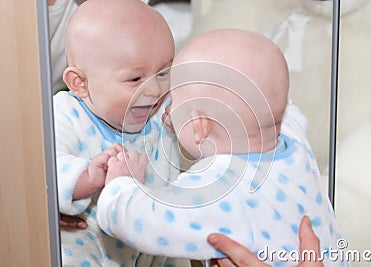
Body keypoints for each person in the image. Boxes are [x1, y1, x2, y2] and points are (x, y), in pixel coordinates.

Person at [96, 29, 345, 266]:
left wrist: (121, 185)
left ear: (200, 127)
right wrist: (189, 119)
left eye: (176, 101)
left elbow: (140, 223)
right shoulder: (295, 140)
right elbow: (279, 102)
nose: (169, 110)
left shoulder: (219, 189)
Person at [54, 0, 189, 266]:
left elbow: (184, 165)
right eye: (135, 80)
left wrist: (190, 131)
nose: (153, 91)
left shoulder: (161, 114)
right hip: (84, 256)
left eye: (163, 73)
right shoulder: (62, 115)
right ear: (80, 83)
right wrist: (90, 176)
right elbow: (39, 174)